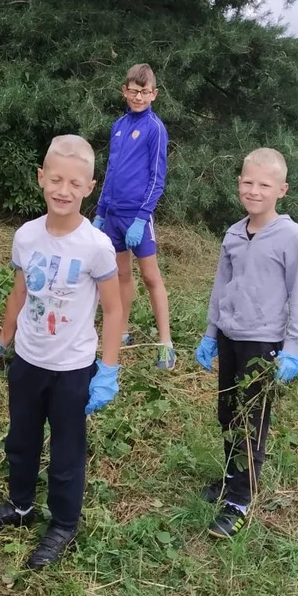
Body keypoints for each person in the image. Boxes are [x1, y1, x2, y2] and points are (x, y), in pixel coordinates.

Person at [0, 134, 123, 569]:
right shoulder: (26, 236)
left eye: (74, 184)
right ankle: (21, 504)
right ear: (41, 178)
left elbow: (114, 310)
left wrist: (108, 369)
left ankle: (63, 523)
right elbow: (19, 293)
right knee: (20, 440)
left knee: (66, 452)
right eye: (56, 180)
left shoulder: (96, 245)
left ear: (89, 187)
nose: (64, 190)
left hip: (72, 369)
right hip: (27, 360)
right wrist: (2, 343)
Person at [194, 148, 298, 538]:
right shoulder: (232, 233)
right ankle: (231, 480)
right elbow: (219, 287)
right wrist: (211, 334)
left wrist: (292, 350)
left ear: (282, 189)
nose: (254, 190)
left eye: (265, 184)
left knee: (251, 422)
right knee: (228, 413)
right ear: (238, 184)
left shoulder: (291, 237)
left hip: (264, 346)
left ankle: (239, 501)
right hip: (230, 338)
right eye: (248, 182)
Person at [92, 63, 175, 370]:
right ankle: (122, 330)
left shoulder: (154, 128)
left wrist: (142, 217)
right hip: (112, 215)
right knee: (120, 275)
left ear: (153, 94)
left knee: (151, 277)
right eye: (132, 91)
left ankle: (166, 343)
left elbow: (157, 177)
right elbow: (111, 172)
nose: (138, 97)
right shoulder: (118, 126)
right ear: (123, 91)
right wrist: (100, 213)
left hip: (137, 216)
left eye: (144, 92)